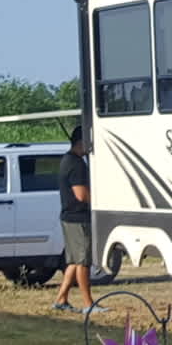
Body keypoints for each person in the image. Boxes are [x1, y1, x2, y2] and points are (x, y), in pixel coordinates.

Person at [53, 126, 95, 311]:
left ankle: (61, 300)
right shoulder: (77, 164)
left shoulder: (66, 159)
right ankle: (88, 304)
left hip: (67, 217)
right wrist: (100, 203)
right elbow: (81, 195)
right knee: (83, 261)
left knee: (73, 261)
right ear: (81, 143)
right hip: (78, 219)